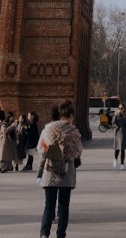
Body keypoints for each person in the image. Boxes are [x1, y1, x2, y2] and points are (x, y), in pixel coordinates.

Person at [37, 101, 83, 238]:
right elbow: (77, 152)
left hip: (50, 170)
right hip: (66, 173)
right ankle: (60, 235)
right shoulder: (74, 132)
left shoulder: (48, 128)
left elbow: (41, 148)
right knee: (63, 206)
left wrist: (52, 154)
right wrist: (65, 154)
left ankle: (44, 233)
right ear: (71, 116)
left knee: (48, 206)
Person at [113, 103, 126, 170]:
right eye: (119, 108)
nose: (120, 109)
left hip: (124, 133)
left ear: (124, 109)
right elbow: (113, 122)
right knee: (117, 149)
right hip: (117, 133)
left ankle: (122, 164)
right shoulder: (117, 115)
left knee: (123, 150)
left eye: (121, 108)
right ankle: (115, 159)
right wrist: (115, 115)